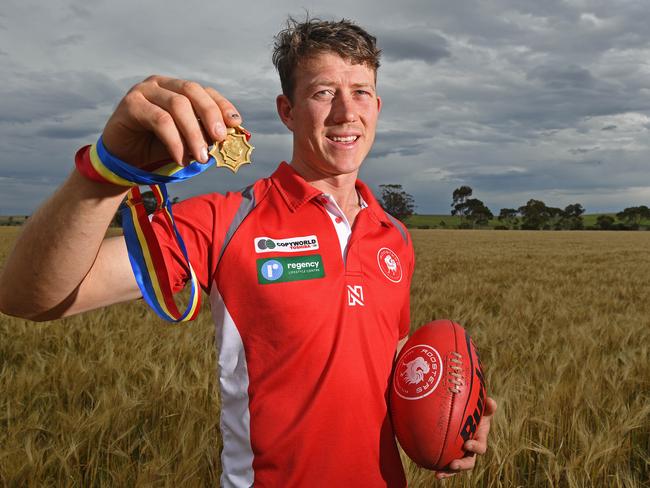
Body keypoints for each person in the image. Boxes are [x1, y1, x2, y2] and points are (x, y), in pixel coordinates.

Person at [0, 17, 496, 487]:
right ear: (287, 110)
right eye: (324, 92)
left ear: (377, 106)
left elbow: (384, 376)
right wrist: (107, 173)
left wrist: (454, 418)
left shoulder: (394, 236)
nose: (347, 112)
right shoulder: (225, 221)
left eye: (360, 92)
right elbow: (30, 296)